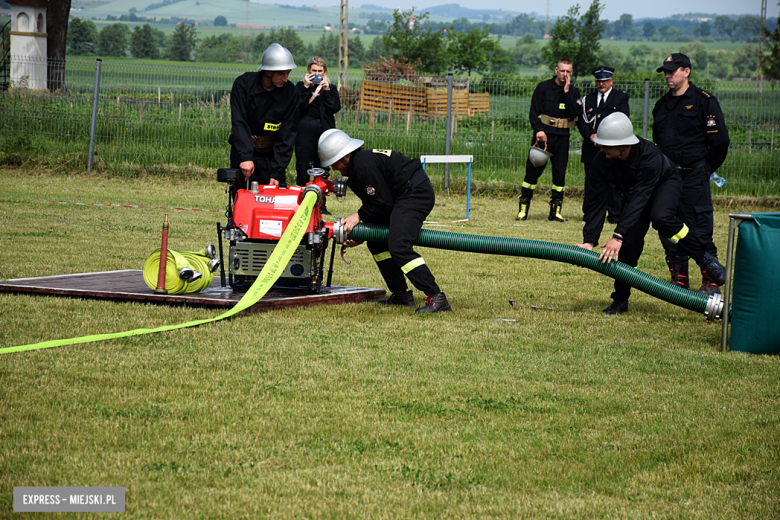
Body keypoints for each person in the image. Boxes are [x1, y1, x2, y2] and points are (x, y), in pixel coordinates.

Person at [575, 112, 727, 315]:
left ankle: (707, 260)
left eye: (606, 145)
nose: (600, 148)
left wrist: (617, 235)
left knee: (661, 217)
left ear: (624, 146)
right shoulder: (601, 161)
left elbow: (641, 197)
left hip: (665, 183)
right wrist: (590, 241)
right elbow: (595, 202)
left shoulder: (650, 157)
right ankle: (620, 300)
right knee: (628, 246)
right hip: (636, 193)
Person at [317, 129, 451, 313]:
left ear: (346, 155)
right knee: (377, 243)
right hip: (398, 197)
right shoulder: (357, 168)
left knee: (399, 246)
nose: (333, 169)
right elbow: (378, 205)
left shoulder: (364, 167)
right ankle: (401, 295)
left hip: (414, 193)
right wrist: (364, 234)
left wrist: (358, 216)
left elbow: (382, 203)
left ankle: (436, 297)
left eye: (335, 163)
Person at [652, 53, 730, 296]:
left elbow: (720, 142)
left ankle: (711, 279)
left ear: (686, 71)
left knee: (698, 225)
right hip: (668, 177)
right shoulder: (662, 105)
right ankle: (679, 278)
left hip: (694, 175)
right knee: (668, 223)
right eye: (665, 71)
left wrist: (705, 169)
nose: (667, 76)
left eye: (672, 71)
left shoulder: (704, 101)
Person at [517, 58, 581, 222]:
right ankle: (523, 209)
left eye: (568, 71)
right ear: (556, 70)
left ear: (571, 73)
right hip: (543, 136)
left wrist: (566, 92)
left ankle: (556, 211)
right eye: (562, 71)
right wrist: (538, 129)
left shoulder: (574, 92)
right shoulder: (543, 88)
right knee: (532, 173)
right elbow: (533, 111)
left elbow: (574, 113)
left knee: (559, 176)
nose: (564, 74)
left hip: (562, 138)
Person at [229, 43, 299, 192]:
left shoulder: (291, 93)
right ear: (268, 71)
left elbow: (288, 134)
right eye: (281, 74)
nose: (286, 79)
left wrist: (277, 170)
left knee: (272, 203)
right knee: (241, 200)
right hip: (243, 153)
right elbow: (239, 122)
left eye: (288, 73)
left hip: (271, 156)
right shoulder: (243, 85)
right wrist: (246, 157)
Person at [577, 65, 630, 224]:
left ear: (611, 81)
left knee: (613, 182)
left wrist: (602, 136)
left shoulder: (620, 98)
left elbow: (622, 118)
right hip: (591, 147)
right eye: (598, 81)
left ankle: (614, 215)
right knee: (592, 182)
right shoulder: (588, 99)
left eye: (605, 80)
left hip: (612, 147)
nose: (601, 84)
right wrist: (591, 136)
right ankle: (590, 214)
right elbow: (582, 122)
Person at [294, 56, 341, 214]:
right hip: (304, 133)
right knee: (303, 167)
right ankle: (300, 202)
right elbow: (297, 107)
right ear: (308, 71)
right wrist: (307, 88)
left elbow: (334, 108)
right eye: (314, 71)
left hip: (324, 134)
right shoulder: (300, 87)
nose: (317, 74)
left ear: (325, 72)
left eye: (320, 71)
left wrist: (326, 91)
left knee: (322, 168)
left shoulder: (331, 89)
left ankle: (321, 205)